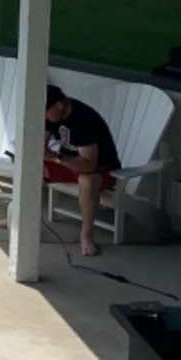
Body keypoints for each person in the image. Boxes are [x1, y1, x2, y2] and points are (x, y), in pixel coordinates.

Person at [42, 85, 120, 256]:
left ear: (60, 105)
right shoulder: (51, 114)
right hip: (69, 163)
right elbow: (42, 142)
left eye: (46, 112)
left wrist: (55, 157)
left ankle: (86, 235)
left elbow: (88, 165)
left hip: (101, 170)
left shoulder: (83, 119)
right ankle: (18, 214)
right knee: (30, 165)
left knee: (87, 180)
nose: (44, 117)